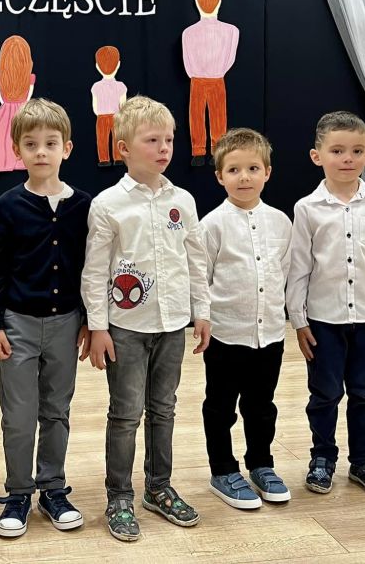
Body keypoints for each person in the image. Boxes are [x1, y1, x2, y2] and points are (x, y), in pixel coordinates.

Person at [82, 95, 212, 542]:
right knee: (125, 414)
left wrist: (202, 312)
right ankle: (119, 496)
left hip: (172, 326)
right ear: (123, 148)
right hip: (126, 329)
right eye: (152, 140)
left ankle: (159, 487)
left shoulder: (184, 201)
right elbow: (95, 271)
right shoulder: (108, 205)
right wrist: (98, 327)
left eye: (169, 140)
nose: (164, 148)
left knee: (164, 409)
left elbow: (196, 260)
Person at [0, 99, 92, 537]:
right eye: (31, 144)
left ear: (67, 148)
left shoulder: (83, 205)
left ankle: (52, 488)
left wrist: (89, 319)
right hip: (17, 325)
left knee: (56, 410)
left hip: (66, 324)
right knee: (19, 415)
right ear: (17, 151)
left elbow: (90, 267)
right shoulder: (8, 205)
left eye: (50, 143)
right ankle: (18, 492)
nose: (41, 151)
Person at [286, 111, 365, 500]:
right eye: (337, 150)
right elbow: (299, 267)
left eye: (356, 150)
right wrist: (299, 321)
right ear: (317, 155)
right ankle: (322, 457)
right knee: (324, 394)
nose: (347, 158)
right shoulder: (307, 208)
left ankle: (364, 462)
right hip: (324, 320)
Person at [200, 128, 292, 510]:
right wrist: (202, 319)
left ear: (267, 172)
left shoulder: (281, 222)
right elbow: (201, 278)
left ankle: (261, 463)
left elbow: (285, 273)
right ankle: (222, 469)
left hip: (269, 336)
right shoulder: (212, 225)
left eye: (253, 168)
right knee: (220, 406)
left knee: (262, 406)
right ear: (219, 176)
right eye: (234, 170)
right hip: (226, 335)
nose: (244, 177)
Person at [181, 0, 240, 166]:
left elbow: (187, 63)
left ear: (197, 3)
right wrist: (218, 70)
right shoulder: (232, 31)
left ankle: (198, 152)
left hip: (197, 80)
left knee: (196, 116)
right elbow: (230, 59)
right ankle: (217, 151)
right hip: (217, 78)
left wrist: (196, 73)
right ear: (220, 2)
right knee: (218, 115)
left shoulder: (188, 33)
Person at [0, 35, 36, 172]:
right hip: (23, 109)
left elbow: (1, 98)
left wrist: (7, 105)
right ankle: (20, 161)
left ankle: (3, 162)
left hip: (4, 110)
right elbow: (28, 96)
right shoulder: (30, 78)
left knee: (2, 138)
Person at [90, 45, 128, 167]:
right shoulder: (121, 86)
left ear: (97, 66)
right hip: (117, 116)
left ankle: (104, 159)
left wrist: (100, 112)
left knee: (102, 138)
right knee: (117, 137)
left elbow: (95, 107)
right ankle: (118, 158)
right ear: (118, 64)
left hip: (101, 117)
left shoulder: (96, 87)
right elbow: (123, 105)